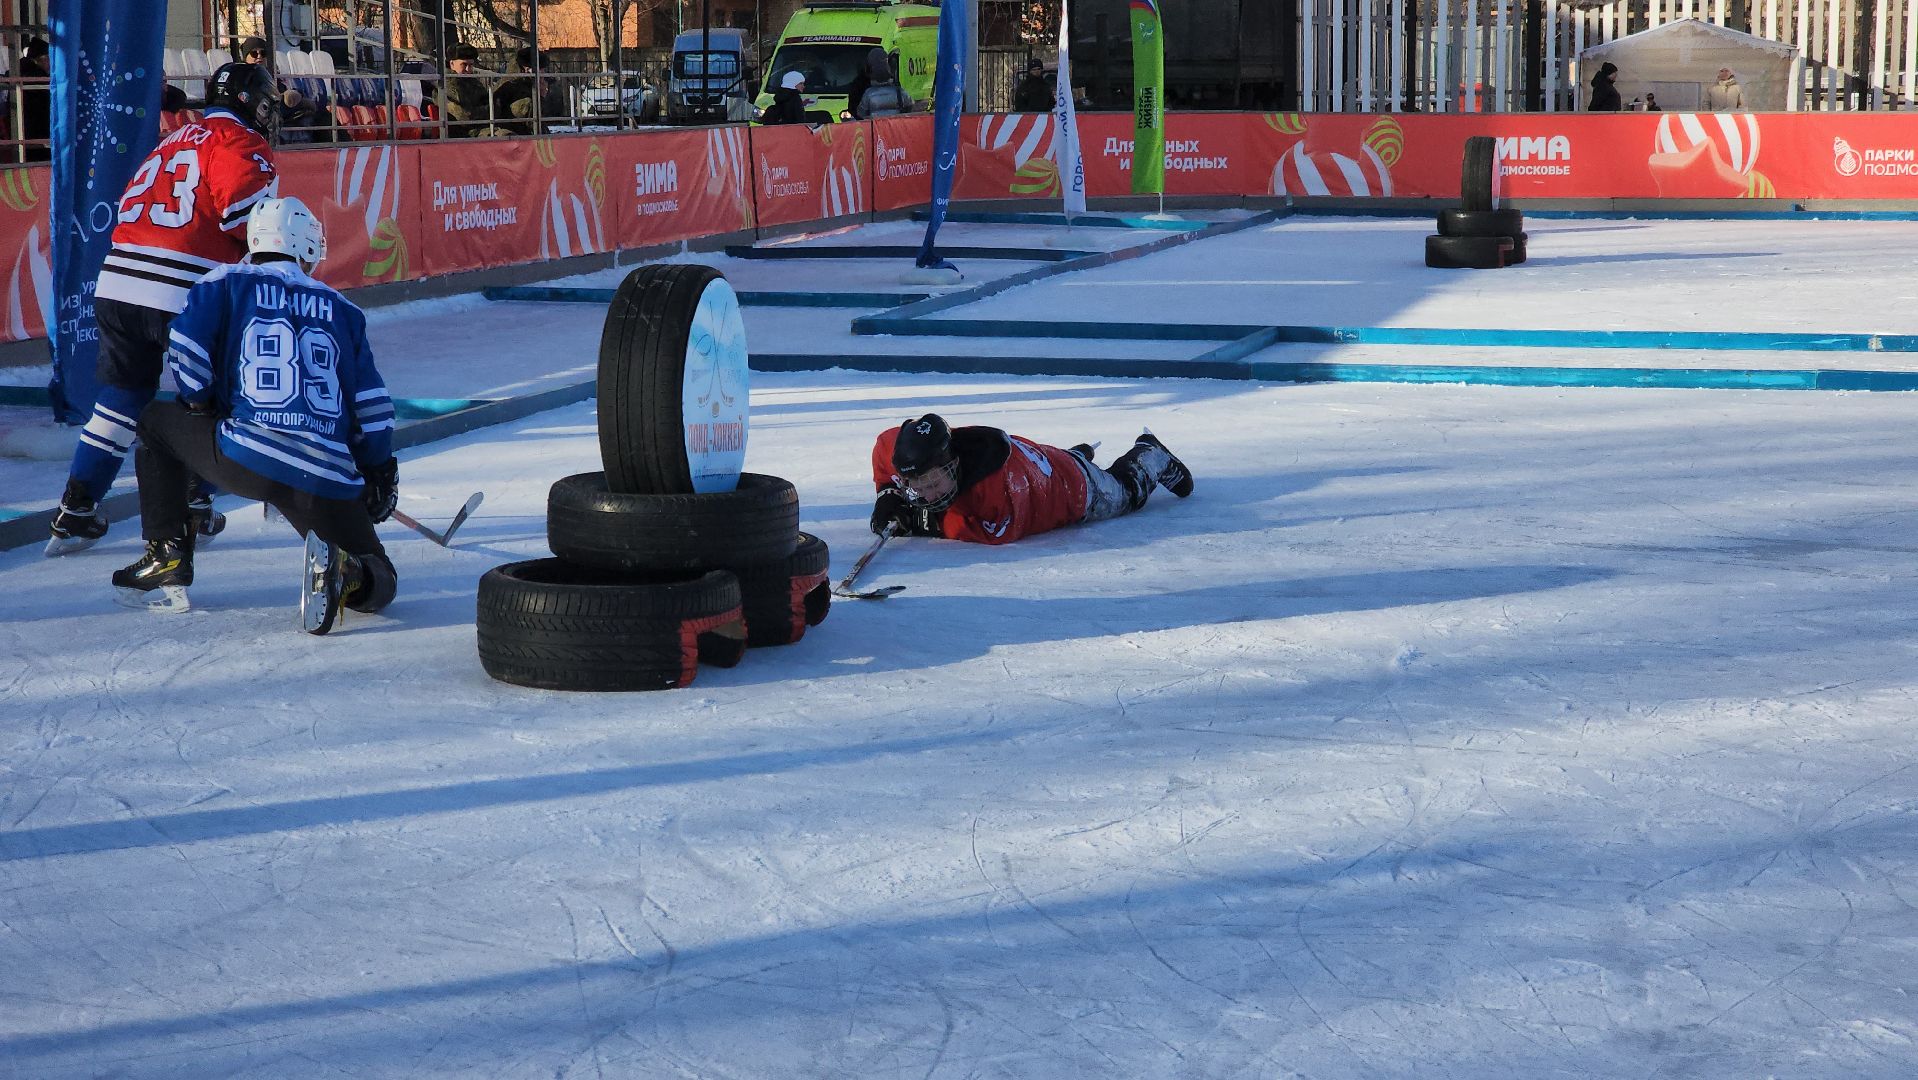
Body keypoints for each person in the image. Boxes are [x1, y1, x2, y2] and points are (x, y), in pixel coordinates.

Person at [111, 196, 399, 621]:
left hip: (248, 455)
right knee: (382, 580)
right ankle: (350, 571)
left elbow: (187, 350)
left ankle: (167, 552)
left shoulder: (224, 281)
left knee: (155, 421)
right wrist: (378, 469)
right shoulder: (344, 309)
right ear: (306, 247)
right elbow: (372, 406)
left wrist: (199, 401)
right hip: (322, 473)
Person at [47, 62, 282, 556]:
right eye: (266, 102)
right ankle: (196, 500)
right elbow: (243, 219)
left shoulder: (173, 139)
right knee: (217, 398)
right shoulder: (240, 143)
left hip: (117, 283)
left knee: (122, 396)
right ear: (250, 102)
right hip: (182, 291)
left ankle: (76, 506)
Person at [868, 414, 1192, 546]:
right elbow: (883, 457)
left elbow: (999, 532)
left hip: (1072, 488)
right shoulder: (899, 447)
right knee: (1059, 459)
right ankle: (1076, 453)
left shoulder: (999, 489)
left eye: (933, 483)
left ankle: (1151, 454)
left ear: (952, 465)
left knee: (1124, 493)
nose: (926, 494)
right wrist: (887, 494)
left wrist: (924, 520)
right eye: (916, 487)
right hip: (1038, 459)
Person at [440, 44, 493, 136]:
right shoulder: (445, 85)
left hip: (481, 129)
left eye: (471, 65)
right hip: (464, 134)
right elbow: (465, 117)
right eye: (464, 65)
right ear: (452, 64)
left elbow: (489, 103)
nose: (468, 69)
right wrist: (490, 109)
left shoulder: (473, 81)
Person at [854, 47, 909, 119]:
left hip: (878, 129)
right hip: (895, 128)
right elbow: (909, 106)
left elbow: (861, 113)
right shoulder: (898, 91)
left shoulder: (869, 94)